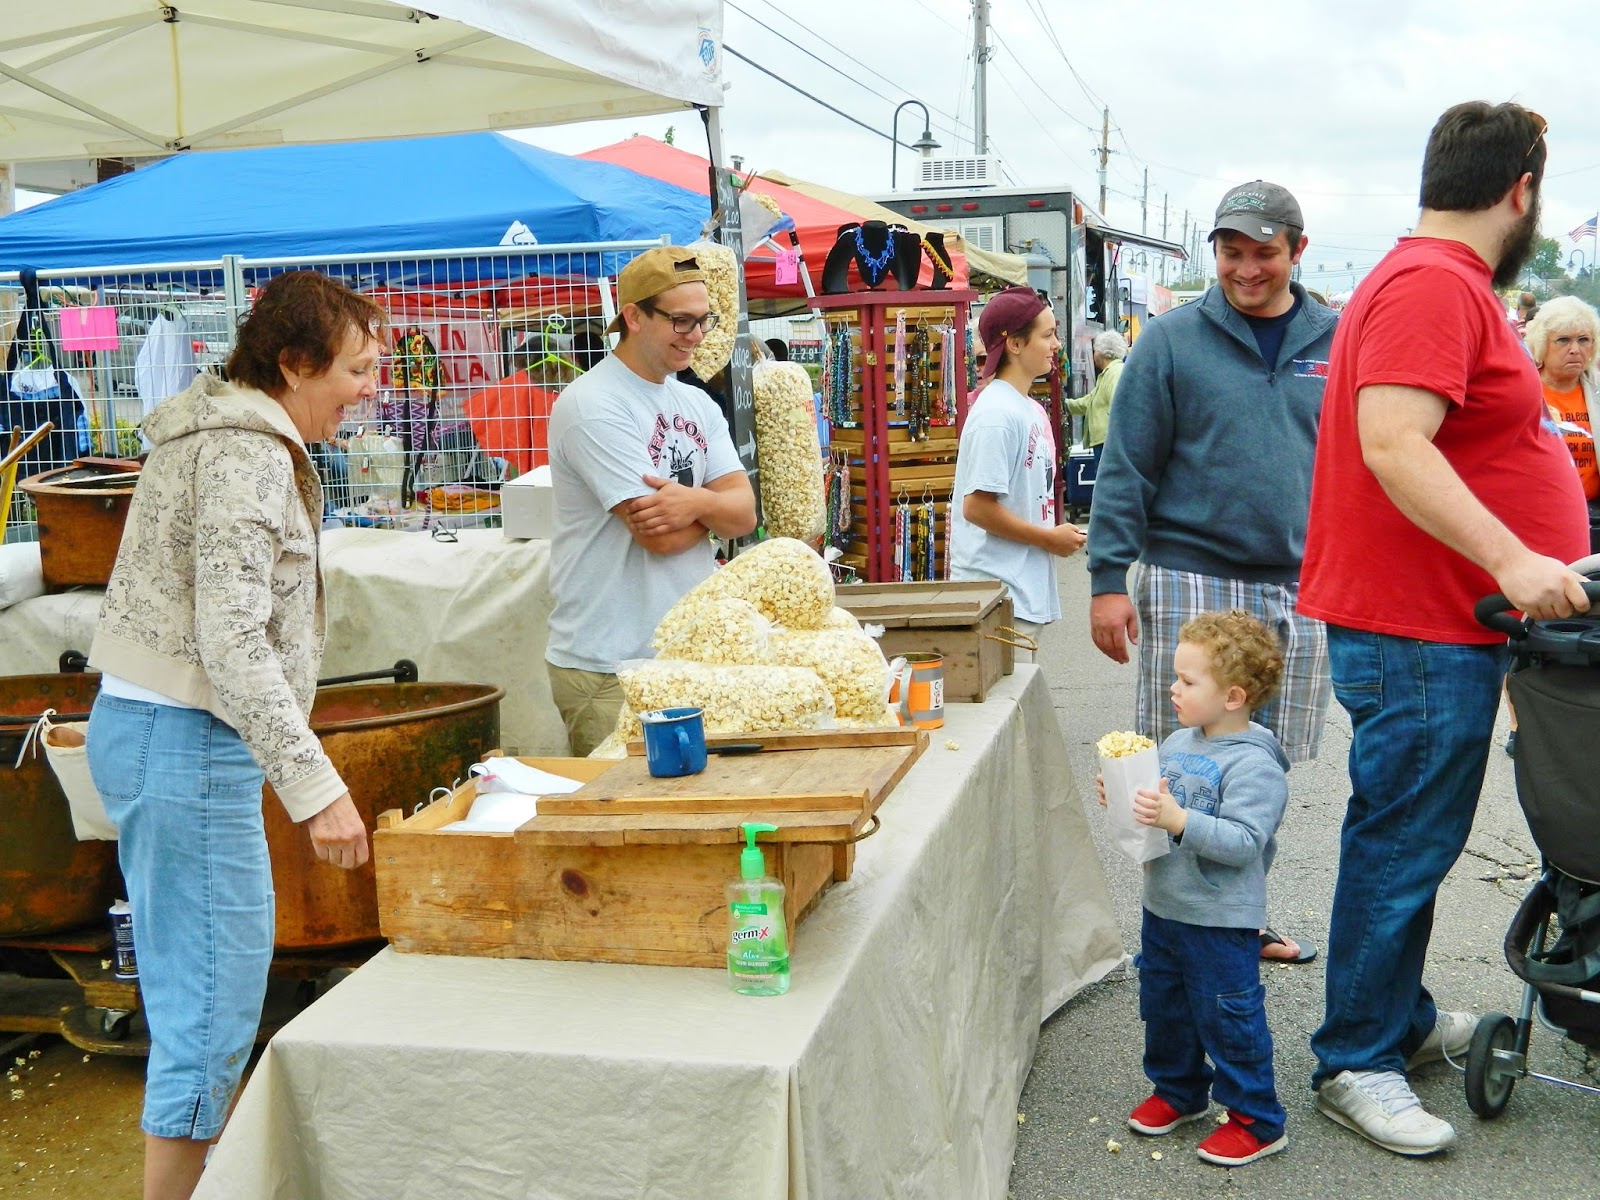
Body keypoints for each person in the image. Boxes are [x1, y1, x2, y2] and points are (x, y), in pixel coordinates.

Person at [1298, 101, 1591, 1157]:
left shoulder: (1432, 279)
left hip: (1427, 625)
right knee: (1400, 846)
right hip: (1420, 626)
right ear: (1521, 191)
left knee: (1406, 841)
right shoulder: (1430, 282)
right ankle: (1355, 1059)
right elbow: (1394, 442)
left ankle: (1398, 1022)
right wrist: (1514, 558)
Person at [85, 270, 377, 1200]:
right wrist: (319, 788)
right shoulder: (246, 454)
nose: (372, 386)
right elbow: (230, 638)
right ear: (294, 365)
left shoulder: (217, 428)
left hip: (153, 730)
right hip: (187, 741)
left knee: (196, 998)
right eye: (359, 368)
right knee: (207, 1010)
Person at [1087, 180, 1338, 964]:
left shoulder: (1340, 339)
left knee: (1266, 759)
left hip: (1302, 580)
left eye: (1264, 252)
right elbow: (1126, 466)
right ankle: (1168, 928)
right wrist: (1105, 580)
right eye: (1231, 252)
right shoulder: (1170, 339)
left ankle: (1236, 913)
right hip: (1190, 570)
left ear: (1297, 250)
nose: (1246, 268)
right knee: (1180, 761)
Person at [545, 246, 757, 755]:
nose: (697, 336)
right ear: (633, 317)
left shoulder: (695, 400)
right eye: (681, 322)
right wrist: (712, 507)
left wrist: (691, 503)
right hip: (609, 663)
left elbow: (746, 512)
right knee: (623, 819)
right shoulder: (593, 404)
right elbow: (658, 538)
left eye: (704, 321)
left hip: (681, 656)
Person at [1105, 609, 1290, 1167]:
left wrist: (1177, 819)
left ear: (1232, 696)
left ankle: (1257, 1119)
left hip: (1220, 917)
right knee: (1165, 1006)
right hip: (1163, 904)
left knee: (1227, 1016)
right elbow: (1155, 807)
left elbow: (1242, 843)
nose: (1173, 688)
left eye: (1188, 681)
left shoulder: (1255, 765)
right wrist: (1123, 795)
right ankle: (1180, 1090)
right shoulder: (1178, 740)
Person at [949, 286, 1086, 659]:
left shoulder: (1025, 408)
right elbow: (977, 507)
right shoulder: (996, 415)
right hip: (996, 595)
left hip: (1019, 592)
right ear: (1014, 344)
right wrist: (1047, 539)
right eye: (1047, 335)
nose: (1056, 344)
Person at [1525, 294, 1600, 550]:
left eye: (1583, 340)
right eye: (1563, 340)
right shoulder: (1522, 391)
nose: (1575, 349)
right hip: (1535, 520)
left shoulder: (1598, 391)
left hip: (1593, 523)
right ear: (1541, 345)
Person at [1065, 328, 1127, 468]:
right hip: (1105, 442)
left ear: (1102, 352)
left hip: (1108, 443)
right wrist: (1066, 405)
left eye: (1095, 350)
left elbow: (1117, 406)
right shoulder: (1108, 373)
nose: (1093, 354)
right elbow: (1089, 402)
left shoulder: (1115, 373)